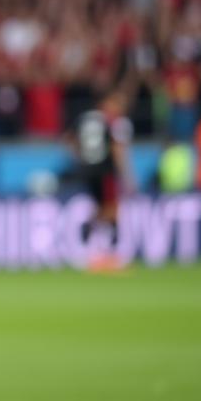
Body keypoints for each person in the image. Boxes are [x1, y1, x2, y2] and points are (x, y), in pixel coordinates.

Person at [70, 91, 133, 270]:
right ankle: (110, 251)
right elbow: (117, 150)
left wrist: (81, 157)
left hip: (87, 170)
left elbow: (69, 139)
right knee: (112, 209)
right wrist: (127, 177)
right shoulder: (109, 121)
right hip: (105, 170)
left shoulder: (84, 119)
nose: (119, 108)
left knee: (103, 207)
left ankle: (95, 241)